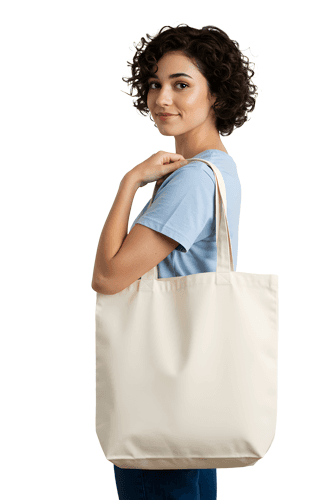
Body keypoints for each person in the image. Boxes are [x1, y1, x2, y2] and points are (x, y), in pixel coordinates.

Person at [91, 23, 258, 500]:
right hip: (189, 399)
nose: (162, 97)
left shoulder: (192, 180)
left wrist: (129, 182)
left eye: (181, 84)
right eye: (155, 83)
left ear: (217, 96)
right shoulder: (221, 168)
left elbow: (107, 277)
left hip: (157, 393)